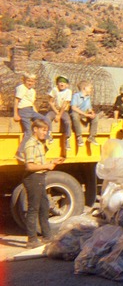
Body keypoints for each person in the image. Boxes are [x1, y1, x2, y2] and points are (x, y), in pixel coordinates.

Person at [22, 119, 65, 249]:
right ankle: (31, 240)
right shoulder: (31, 144)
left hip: (40, 177)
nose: (45, 133)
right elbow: (29, 166)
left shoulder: (40, 143)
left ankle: (47, 236)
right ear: (35, 129)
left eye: (46, 130)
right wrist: (48, 166)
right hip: (33, 178)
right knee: (33, 208)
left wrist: (53, 161)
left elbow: (39, 162)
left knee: (44, 207)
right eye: (43, 130)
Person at [13, 73, 51, 161]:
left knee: (45, 119)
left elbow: (32, 104)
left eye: (32, 81)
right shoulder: (21, 88)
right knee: (29, 132)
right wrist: (15, 114)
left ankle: (45, 140)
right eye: (28, 81)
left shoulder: (32, 91)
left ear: (34, 82)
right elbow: (16, 101)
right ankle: (19, 152)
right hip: (23, 111)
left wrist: (36, 115)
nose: (30, 83)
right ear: (24, 80)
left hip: (31, 110)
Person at [45, 75, 72, 150]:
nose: (62, 84)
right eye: (60, 82)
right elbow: (50, 102)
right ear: (57, 83)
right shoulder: (54, 90)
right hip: (54, 110)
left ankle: (67, 139)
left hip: (63, 111)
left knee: (67, 122)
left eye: (64, 83)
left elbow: (64, 104)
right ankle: (49, 134)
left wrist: (59, 115)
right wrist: (56, 113)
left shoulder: (68, 92)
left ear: (67, 85)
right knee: (47, 118)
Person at [70, 80, 99, 147]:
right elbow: (73, 108)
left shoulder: (88, 98)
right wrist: (85, 114)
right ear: (84, 88)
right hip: (77, 114)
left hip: (84, 115)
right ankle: (79, 136)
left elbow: (89, 108)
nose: (91, 90)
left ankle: (92, 136)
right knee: (75, 116)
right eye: (90, 88)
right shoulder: (76, 96)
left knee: (96, 117)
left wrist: (92, 113)